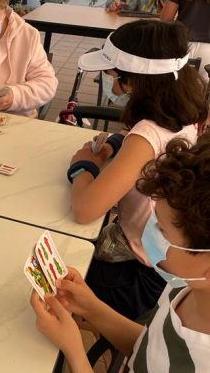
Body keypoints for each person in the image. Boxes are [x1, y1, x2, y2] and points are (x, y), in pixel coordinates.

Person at [31, 134, 210, 372]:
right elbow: (150, 348)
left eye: (163, 231)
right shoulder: (185, 284)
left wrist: (74, 349)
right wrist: (90, 307)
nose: (151, 232)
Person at [66, 20, 207, 319]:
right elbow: (148, 152)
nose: (112, 85)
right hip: (165, 271)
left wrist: (84, 167)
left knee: (47, 273)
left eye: (115, 77)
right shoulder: (184, 111)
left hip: (138, 278)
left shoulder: (147, 133)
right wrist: (118, 144)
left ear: (136, 82)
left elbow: (84, 209)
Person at [161, 0, 210, 82]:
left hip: (182, 45)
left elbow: (165, 20)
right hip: (208, 51)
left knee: (178, 91)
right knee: (202, 93)